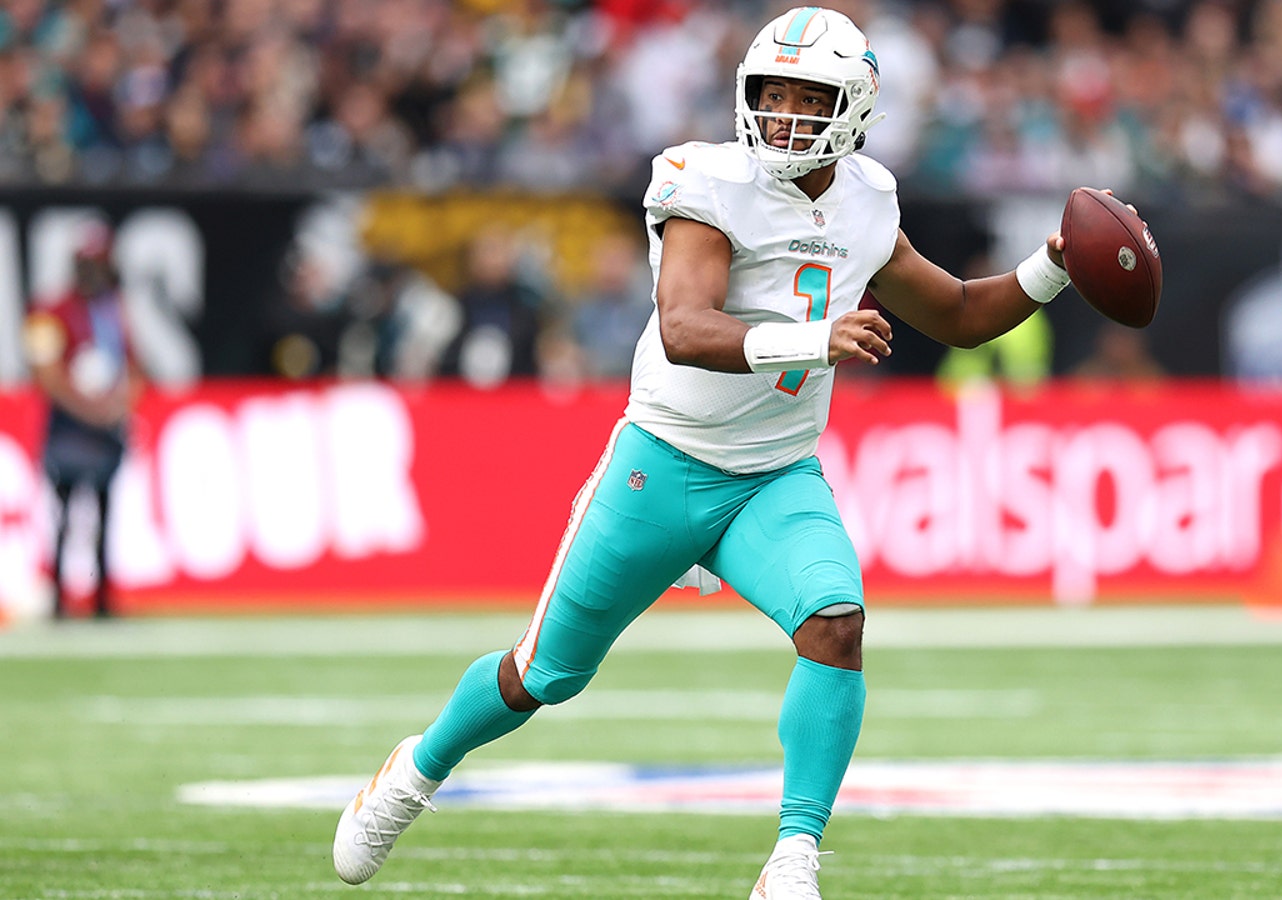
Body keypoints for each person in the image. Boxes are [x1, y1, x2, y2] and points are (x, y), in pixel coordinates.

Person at [332, 8, 1094, 898]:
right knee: (541, 675)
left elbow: (960, 314)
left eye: (808, 99)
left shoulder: (868, 198)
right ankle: (414, 773)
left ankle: (793, 857)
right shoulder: (708, 181)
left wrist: (1054, 264)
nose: (783, 116)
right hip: (664, 459)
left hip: (775, 473)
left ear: (853, 108)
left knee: (835, 623)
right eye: (771, 94)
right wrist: (813, 341)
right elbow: (685, 327)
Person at [22, 225, 141, 619]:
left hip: (106, 424)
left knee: (107, 513)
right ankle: (58, 599)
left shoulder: (113, 310)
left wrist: (119, 404)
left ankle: (103, 600)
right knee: (64, 514)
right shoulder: (49, 310)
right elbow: (46, 375)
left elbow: (132, 365)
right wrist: (91, 408)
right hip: (70, 427)